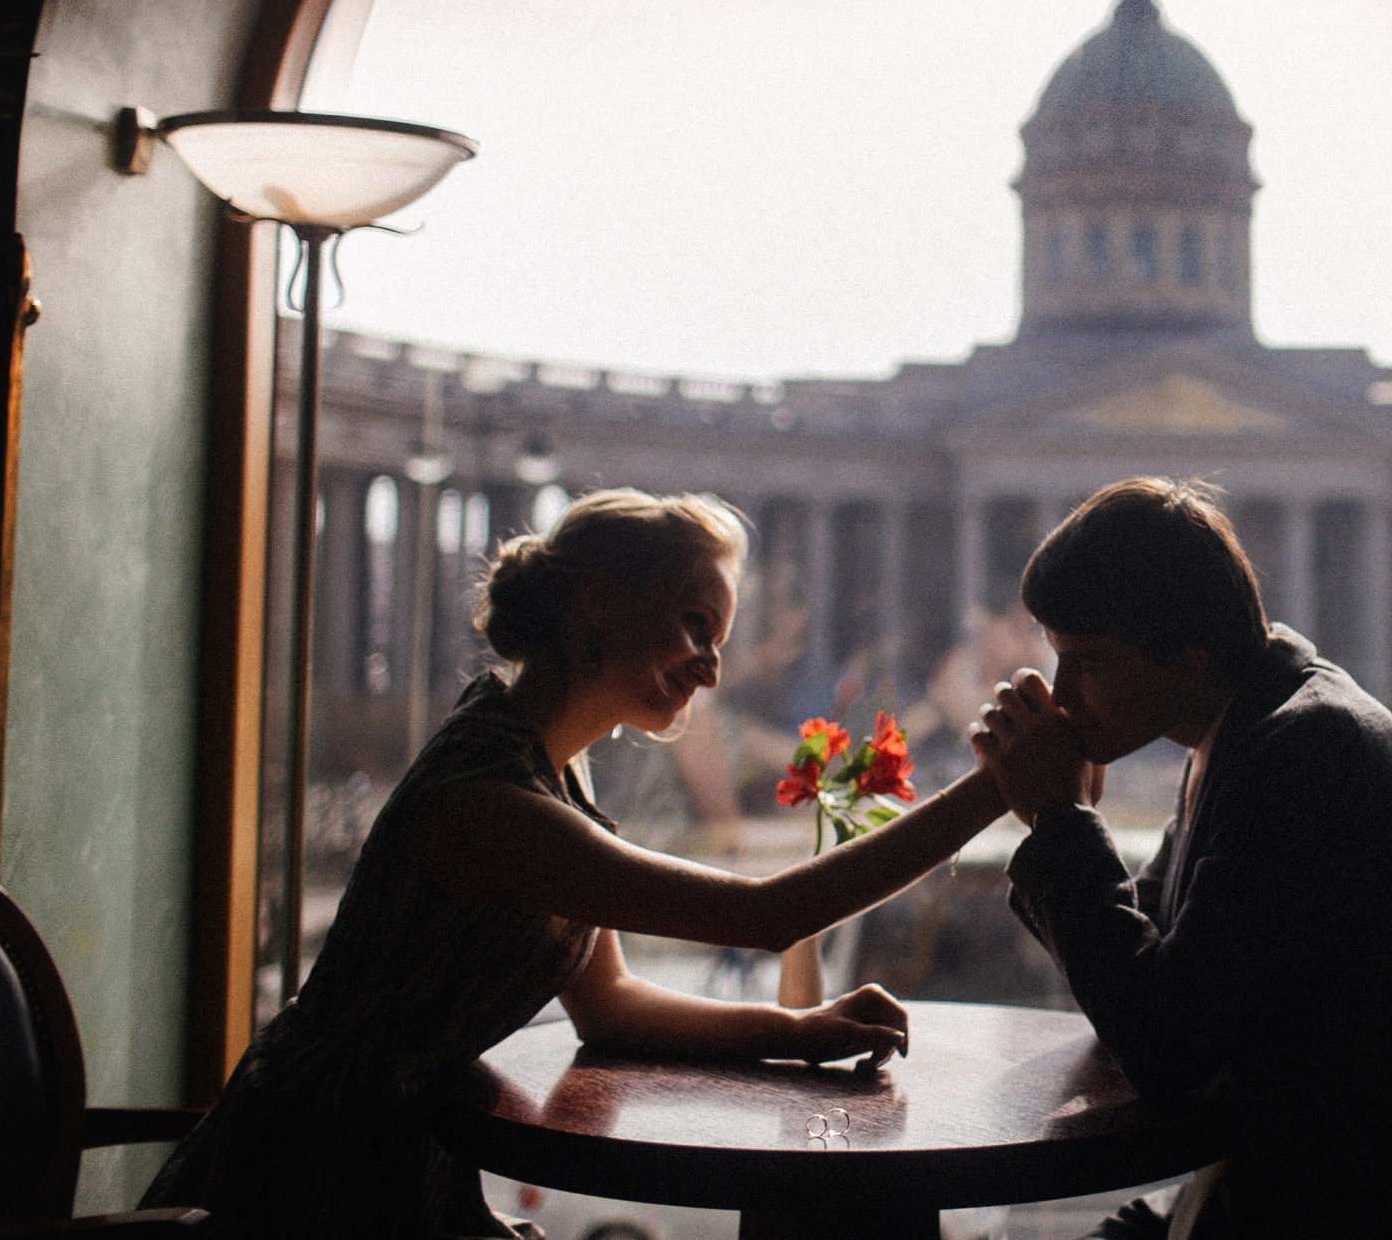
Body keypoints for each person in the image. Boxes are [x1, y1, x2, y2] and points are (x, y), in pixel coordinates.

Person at [148, 489, 1008, 1239]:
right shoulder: (489, 797)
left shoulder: (544, 760)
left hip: (391, 1146)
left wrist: (796, 1032)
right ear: (598, 605)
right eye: (696, 624)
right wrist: (998, 785)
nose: (711, 667)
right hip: (317, 1167)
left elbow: (610, 1004)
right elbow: (762, 915)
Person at [971, 478, 1392, 1240]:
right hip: (1280, 1190)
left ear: (1186, 661)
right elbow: (1146, 965)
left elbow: (1164, 1044)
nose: (1061, 695)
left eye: (1087, 662)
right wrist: (1064, 812)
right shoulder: (1250, 725)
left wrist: (1059, 818)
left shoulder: (1305, 753)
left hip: (1345, 1213)